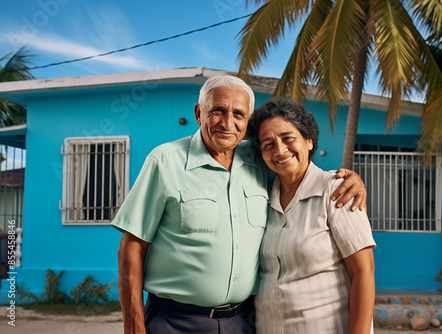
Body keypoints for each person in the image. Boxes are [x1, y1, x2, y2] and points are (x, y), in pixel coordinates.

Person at [112, 75, 367, 334]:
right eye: (218, 111)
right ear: (199, 113)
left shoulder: (261, 161)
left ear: (247, 121)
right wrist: (133, 327)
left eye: (238, 114)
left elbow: (296, 169)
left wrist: (347, 179)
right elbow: (132, 247)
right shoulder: (164, 162)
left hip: (244, 322)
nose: (227, 123)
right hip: (176, 321)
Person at [246, 97, 376, 334]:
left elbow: (364, 272)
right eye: (268, 144)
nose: (280, 150)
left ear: (308, 141)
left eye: (288, 138)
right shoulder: (261, 197)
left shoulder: (337, 190)